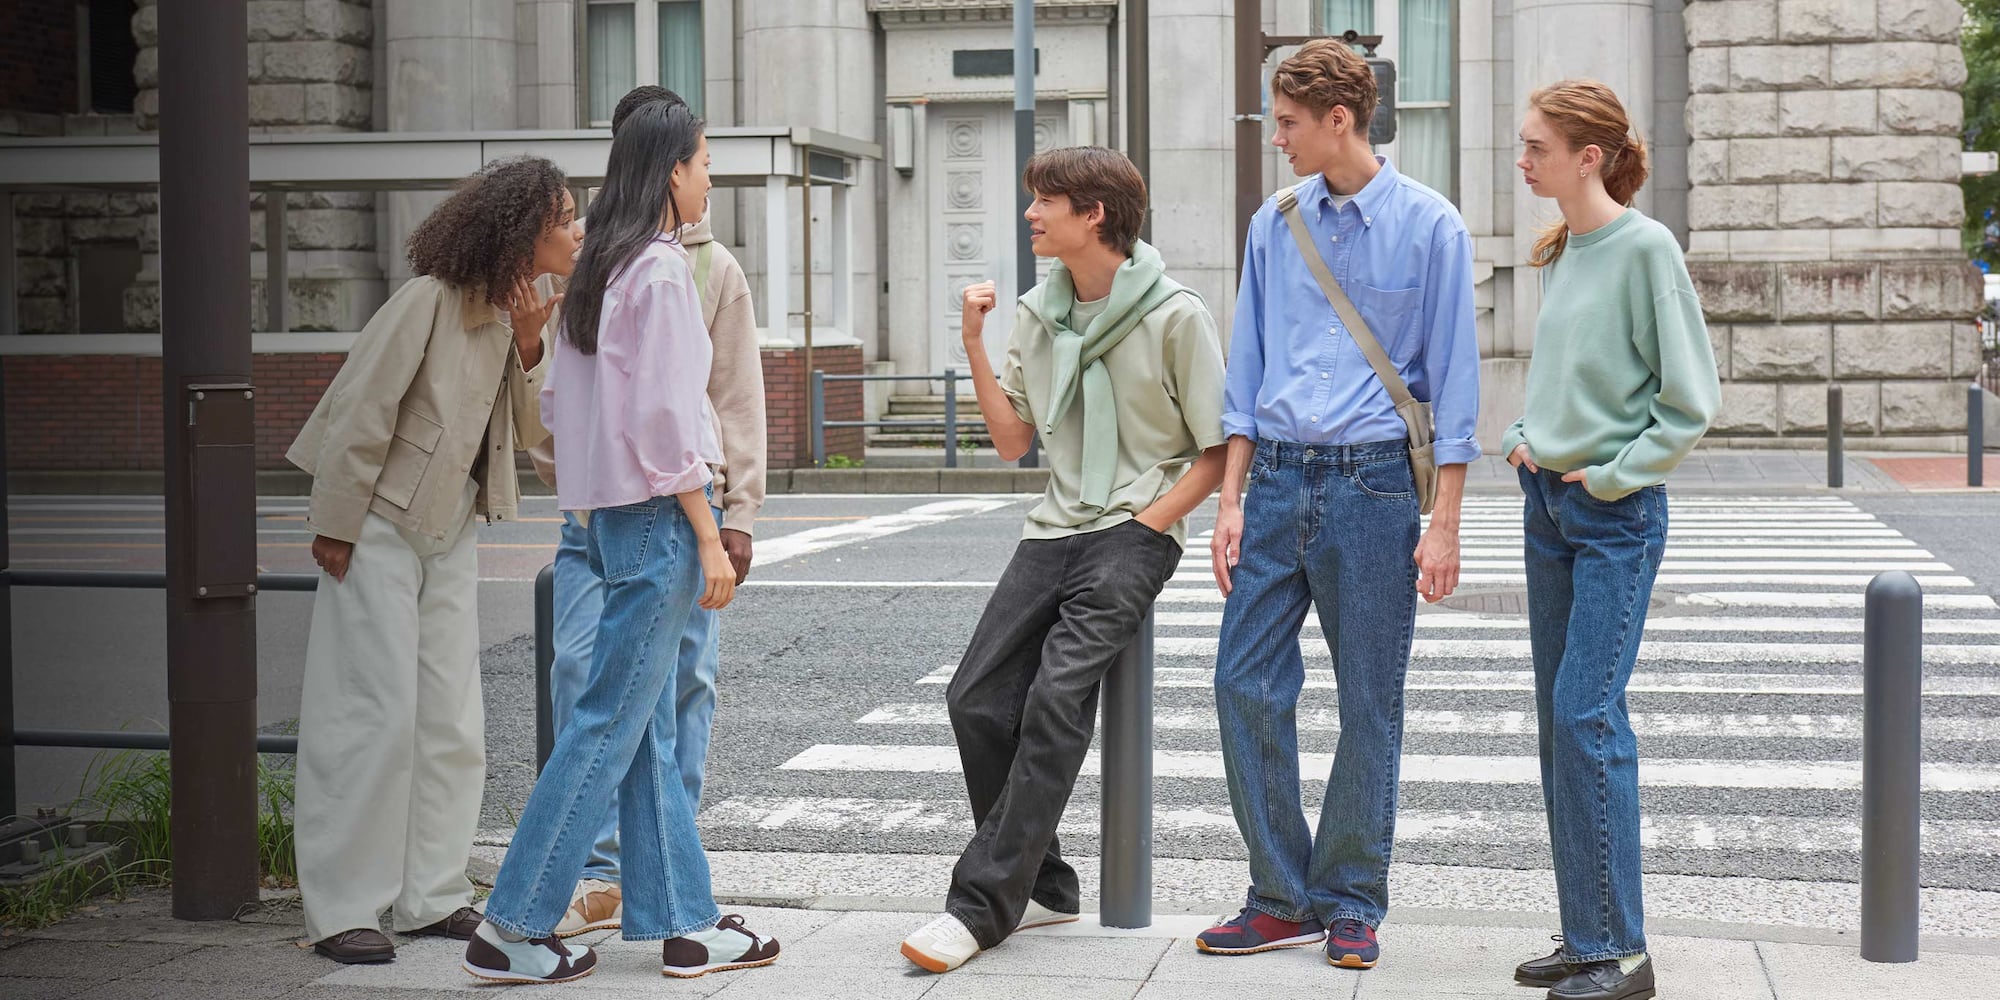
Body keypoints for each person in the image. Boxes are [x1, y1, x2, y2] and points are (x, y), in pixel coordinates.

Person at [463, 100, 779, 984]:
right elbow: (673, 421)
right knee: (609, 725)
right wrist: (711, 536)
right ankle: (513, 924)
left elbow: (561, 416)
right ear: (672, 171)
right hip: (657, 519)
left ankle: (684, 924)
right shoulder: (663, 270)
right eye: (705, 163)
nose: (709, 179)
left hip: (601, 521)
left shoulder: (594, 273)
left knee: (639, 733)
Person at [897, 146, 1228, 974]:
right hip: (1053, 527)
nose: (1031, 214)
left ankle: (979, 907)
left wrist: (1150, 524)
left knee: (1055, 704)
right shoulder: (1038, 315)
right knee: (974, 698)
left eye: (1046, 200)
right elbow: (1014, 441)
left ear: (1097, 216)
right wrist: (972, 342)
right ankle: (1043, 883)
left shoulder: (1176, 314)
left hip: (1133, 529)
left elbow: (1219, 449)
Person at [1198, 37, 1480, 968]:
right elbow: (1247, 370)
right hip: (1274, 478)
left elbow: (1455, 388)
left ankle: (1351, 900)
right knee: (1243, 682)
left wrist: (1444, 521)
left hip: (1372, 487)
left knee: (1370, 701)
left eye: (1285, 122)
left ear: (1338, 120)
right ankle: (1281, 894)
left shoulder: (1432, 225)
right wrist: (1230, 500)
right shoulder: (1273, 224)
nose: (1274, 137)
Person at [287, 155, 578, 964]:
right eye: (563, 219)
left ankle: (432, 894)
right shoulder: (428, 300)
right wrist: (336, 523)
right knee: (370, 716)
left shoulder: (518, 309)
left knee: (451, 720)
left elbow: (527, 431)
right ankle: (342, 906)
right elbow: (360, 407)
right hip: (378, 524)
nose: (575, 231)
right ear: (522, 230)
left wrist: (529, 341)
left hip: (453, 528)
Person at [1502, 80, 1718, 1000]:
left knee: (1589, 715)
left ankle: (1623, 953)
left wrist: (1615, 472)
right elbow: (1573, 374)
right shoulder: (1564, 249)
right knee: (1562, 725)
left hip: (1612, 514)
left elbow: (1689, 399)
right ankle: (1586, 930)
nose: (1523, 159)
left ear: (1588, 155)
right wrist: (1527, 436)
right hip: (1546, 505)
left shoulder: (1645, 248)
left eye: (1537, 146)